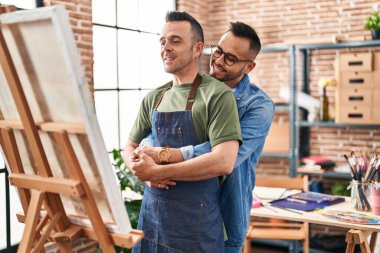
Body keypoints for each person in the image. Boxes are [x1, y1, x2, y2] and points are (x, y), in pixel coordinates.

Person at [136, 21, 275, 253]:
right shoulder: (190, 88)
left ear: (249, 67)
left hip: (226, 214)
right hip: (176, 209)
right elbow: (151, 133)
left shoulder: (258, 106)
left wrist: (168, 156)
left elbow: (226, 156)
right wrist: (148, 156)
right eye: (218, 51)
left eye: (230, 58)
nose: (218, 61)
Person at [123, 11, 242, 253]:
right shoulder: (154, 97)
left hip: (195, 227)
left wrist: (158, 170)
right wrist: (138, 169)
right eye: (162, 41)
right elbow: (129, 147)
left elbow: (224, 161)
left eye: (175, 41)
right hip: (152, 221)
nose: (166, 47)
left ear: (197, 48)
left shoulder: (218, 95)